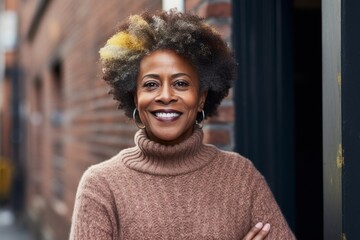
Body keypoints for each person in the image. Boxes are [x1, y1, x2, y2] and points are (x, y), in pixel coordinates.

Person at [69, 9, 295, 240]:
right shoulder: (101, 185)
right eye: (150, 84)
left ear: (201, 99)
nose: (166, 95)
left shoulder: (241, 176)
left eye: (180, 83)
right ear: (135, 97)